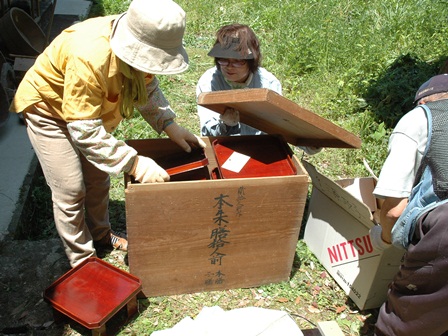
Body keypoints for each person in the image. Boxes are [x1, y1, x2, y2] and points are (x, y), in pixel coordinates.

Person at [9, 0, 206, 268]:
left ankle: (101, 235)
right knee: (70, 189)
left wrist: (169, 124)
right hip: (50, 111)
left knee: (98, 178)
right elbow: (84, 130)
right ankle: (82, 259)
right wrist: (136, 163)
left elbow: (146, 87)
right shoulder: (89, 56)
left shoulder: (141, 34)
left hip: (90, 114)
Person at [369, 73, 448, 336]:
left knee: (408, 319)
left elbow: (393, 207)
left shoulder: (420, 118)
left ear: (425, 101)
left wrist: (384, 237)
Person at [196, 23, 320, 155]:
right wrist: (225, 125)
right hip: (224, 148)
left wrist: (308, 143)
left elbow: (278, 124)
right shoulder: (209, 81)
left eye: (238, 61)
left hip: (260, 149)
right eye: (224, 60)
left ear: (251, 61)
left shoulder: (268, 83)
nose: (229, 67)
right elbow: (207, 132)